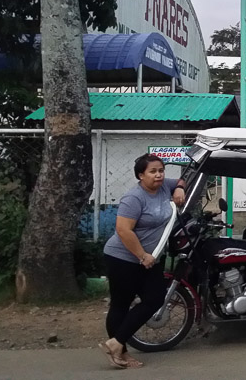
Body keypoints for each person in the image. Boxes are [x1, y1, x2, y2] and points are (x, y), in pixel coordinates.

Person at [99, 154, 186, 369]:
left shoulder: (164, 186)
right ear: (141, 175)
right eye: (152, 172)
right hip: (124, 258)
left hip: (151, 258)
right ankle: (122, 353)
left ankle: (116, 343)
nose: (158, 175)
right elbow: (122, 230)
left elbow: (182, 179)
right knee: (120, 303)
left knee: (155, 299)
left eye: (161, 170)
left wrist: (180, 188)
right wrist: (141, 255)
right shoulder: (134, 198)